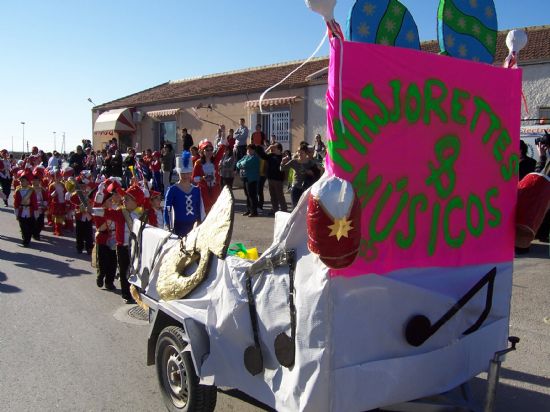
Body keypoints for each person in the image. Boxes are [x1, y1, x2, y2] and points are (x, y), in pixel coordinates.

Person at [164, 151, 205, 237]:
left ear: (191, 173)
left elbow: (199, 208)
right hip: (178, 226)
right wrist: (168, 225)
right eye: (182, 173)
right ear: (178, 173)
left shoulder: (196, 190)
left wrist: (200, 222)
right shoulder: (172, 190)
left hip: (194, 226)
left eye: (188, 173)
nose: (185, 176)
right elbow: (167, 209)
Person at [192, 139, 226, 214]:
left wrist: (223, 132)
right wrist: (202, 178)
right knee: (206, 211)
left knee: (216, 211)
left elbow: (222, 147)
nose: (209, 152)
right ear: (202, 151)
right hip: (203, 191)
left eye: (211, 150)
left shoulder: (215, 161)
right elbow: (194, 178)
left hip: (215, 189)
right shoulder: (198, 163)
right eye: (207, 150)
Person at [261, 142, 288, 215]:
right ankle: (275, 209)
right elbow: (262, 155)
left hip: (278, 179)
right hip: (270, 178)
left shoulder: (283, 157)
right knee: (273, 196)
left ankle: (284, 210)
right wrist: (269, 148)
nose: (273, 149)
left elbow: (285, 168)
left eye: (275, 147)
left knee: (280, 196)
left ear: (279, 149)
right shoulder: (271, 155)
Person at [13, 171, 38, 247]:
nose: (21, 182)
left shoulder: (31, 190)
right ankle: (25, 241)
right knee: (23, 227)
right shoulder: (18, 191)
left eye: (23, 181)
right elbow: (16, 202)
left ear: (27, 182)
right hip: (21, 211)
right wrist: (16, 212)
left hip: (30, 211)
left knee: (30, 226)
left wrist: (36, 211)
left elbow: (34, 201)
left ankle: (27, 239)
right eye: (21, 181)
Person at [236, 144, 260, 217]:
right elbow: (238, 163)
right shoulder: (246, 156)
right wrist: (241, 164)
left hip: (252, 179)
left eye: (250, 149)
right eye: (247, 149)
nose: (248, 151)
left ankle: (254, 211)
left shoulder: (255, 158)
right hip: (245, 178)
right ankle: (248, 209)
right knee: (247, 195)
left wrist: (242, 164)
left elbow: (246, 163)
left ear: (253, 150)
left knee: (252, 195)